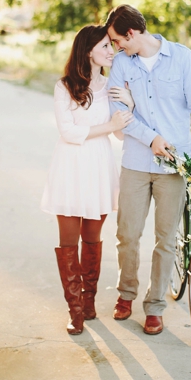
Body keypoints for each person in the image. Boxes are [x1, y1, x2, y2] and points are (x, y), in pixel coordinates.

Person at [105, 4, 191, 336]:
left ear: (130, 33)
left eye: (116, 40)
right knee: (127, 234)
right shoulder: (122, 65)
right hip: (136, 163)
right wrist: (151, 137)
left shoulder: (183, 58)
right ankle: (126, 294)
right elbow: (117, 111)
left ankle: (155, 307)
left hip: (175, 165)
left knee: (166, 240)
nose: (115, 48)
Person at [42, 25, 134, 334]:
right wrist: (108, 126)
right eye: (106, 46)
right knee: (68, 242)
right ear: (88, 50)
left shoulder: (111, 86)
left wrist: (129, 107)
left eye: (112, 45)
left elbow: (120, 133)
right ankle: (76, 310)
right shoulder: (64, 86)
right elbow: (67, 133)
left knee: (92, 239)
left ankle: (90, 300)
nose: (112, 51)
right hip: (69, 168)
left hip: (99, 168)